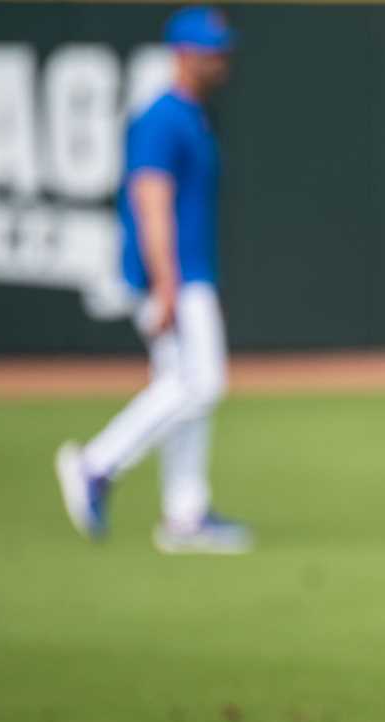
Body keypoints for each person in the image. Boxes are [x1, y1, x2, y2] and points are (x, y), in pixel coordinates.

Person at [54, 6, 251, 555]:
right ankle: (97, 463)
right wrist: (167, 284)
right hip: (174, 276)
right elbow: (150, 200)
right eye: (211, 50)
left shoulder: (189, 115)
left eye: (222, 48)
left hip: (190, 275)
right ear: (183, 54)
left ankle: (184, 514)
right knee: (199, 384)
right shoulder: (162, 116)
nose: (221, 59)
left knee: (187, 385)